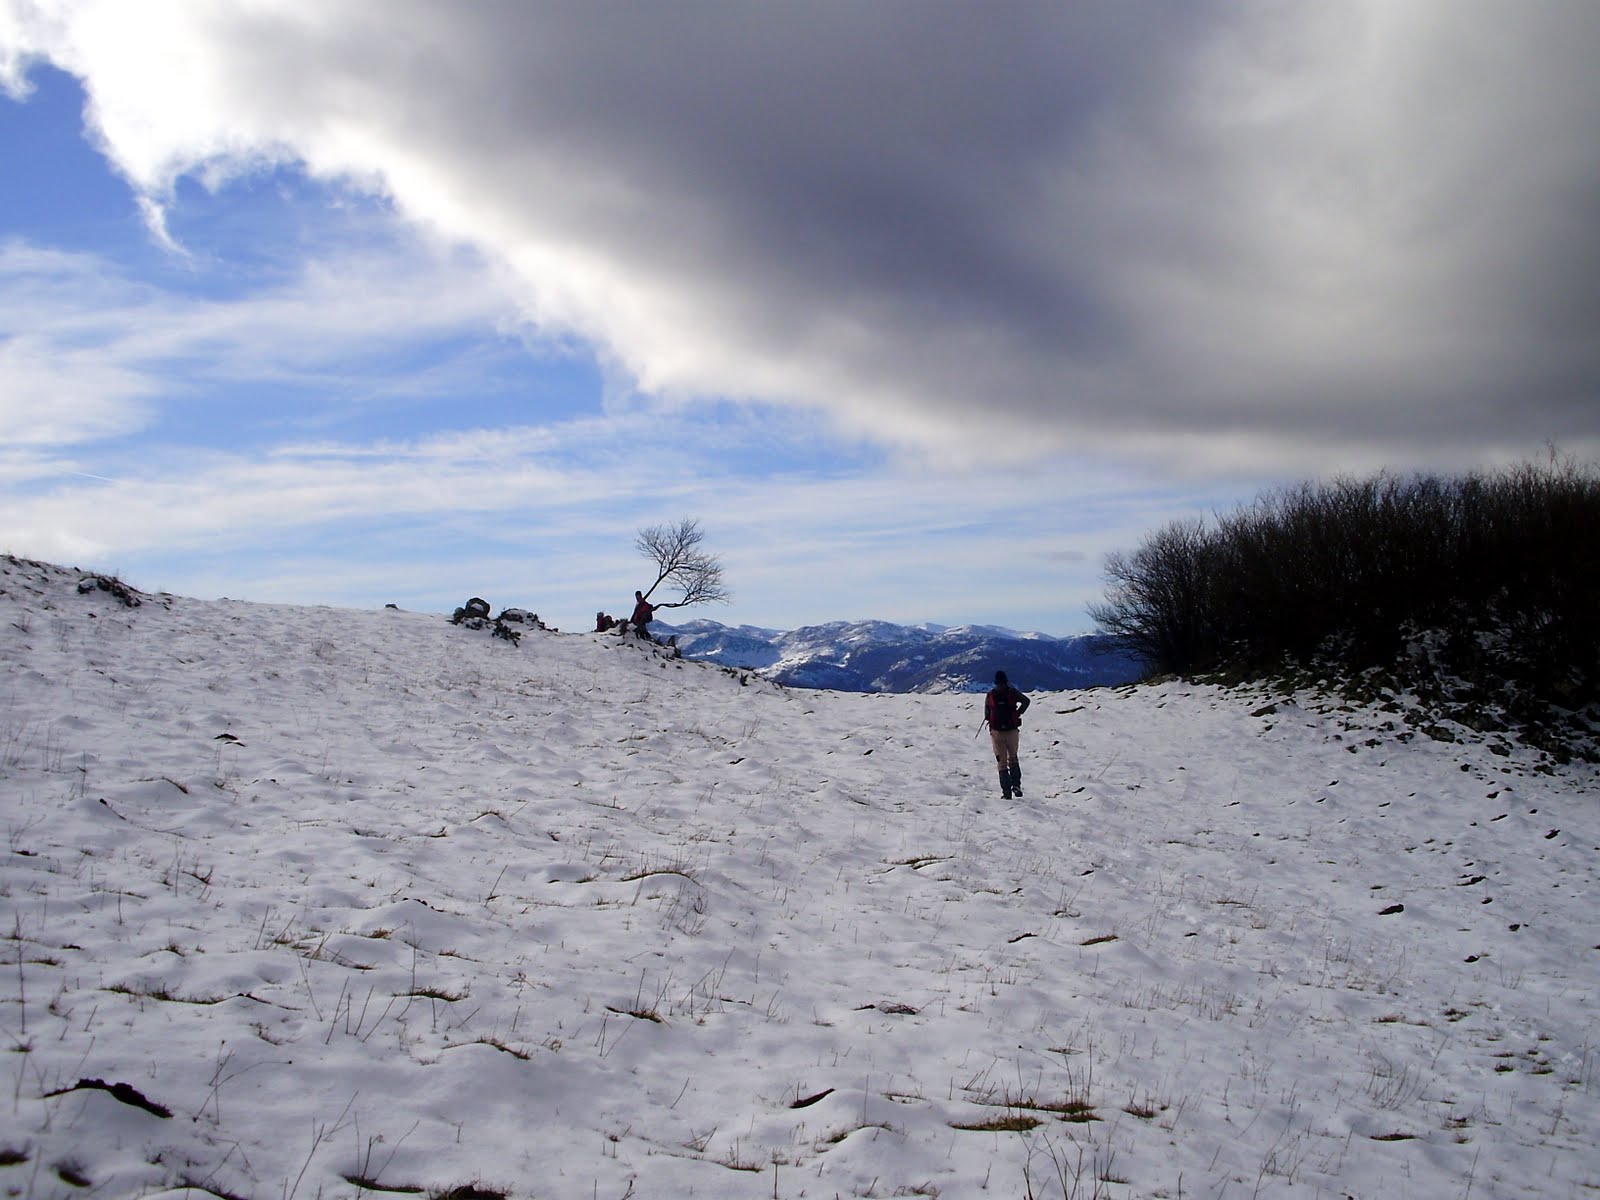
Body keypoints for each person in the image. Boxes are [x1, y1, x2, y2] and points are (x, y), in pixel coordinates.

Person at [984, 669, 1031, 800]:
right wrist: (1018, 713)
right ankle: (1016, 785)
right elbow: (1026, 701)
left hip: (997, 732)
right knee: (1013, 758)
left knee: (1001, 763)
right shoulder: (1012, 692)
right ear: (1006, 680)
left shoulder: (991, 695)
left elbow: (987, 714)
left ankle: (1006, 793)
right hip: (1012, 730)